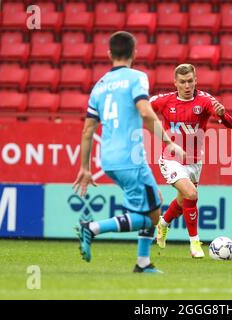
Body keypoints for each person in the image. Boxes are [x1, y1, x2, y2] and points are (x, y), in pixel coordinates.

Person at [73, 31, 183, 273]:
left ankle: (143, 262)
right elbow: (144, 111)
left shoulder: (99, 86)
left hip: (109, 160)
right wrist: (168, 141)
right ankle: (92, 228)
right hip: (130, 159)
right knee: (153, 217)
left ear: (109, 54)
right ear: (135, 53)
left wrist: (85, 167)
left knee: (155, 203)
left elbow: (88, 130)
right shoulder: (137, 78)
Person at [150, 64, 232, 258]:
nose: (187, 85)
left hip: (194, 162)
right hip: (170, 159)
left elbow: (230, 124)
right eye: (182, 82)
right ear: (175, 83)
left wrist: (222, 114)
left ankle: (163, 224)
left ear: (196, 80)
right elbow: (143, 107)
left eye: (190, 81)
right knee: (191, 193)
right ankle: (194, 243)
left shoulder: (205, 101)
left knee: (183, 200)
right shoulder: (165, 101)